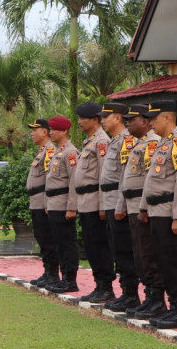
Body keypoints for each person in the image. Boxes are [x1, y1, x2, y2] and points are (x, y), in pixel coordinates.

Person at [138, 100, 177, 329]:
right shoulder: (161, 144)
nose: (150, 122)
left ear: (167, 118)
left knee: (174, 262)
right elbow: (150, 180)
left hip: (171, 212)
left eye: (154, 118)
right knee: (162, 261)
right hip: (156, 212)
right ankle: (173, 307)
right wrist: (144, 208)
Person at [116, 104, 166, 319]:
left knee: (147, 252)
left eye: (132, 119)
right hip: (131, 204)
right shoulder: (138, 144)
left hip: (141, 206)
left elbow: (150, 179)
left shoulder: (153, 143)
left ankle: (156, 299)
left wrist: (144, 208)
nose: (127, 123)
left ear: (145, 122)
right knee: (138, 253)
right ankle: (148, 297)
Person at [98, 102, 140, 312]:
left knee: (124, 250)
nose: (102, 121)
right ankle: (125, 293)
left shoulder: (127, 141)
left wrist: (120, 205)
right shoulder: (114, 142)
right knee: (116, 249)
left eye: (105, 117)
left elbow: (126, 176)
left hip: (118, 201)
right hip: (109, 199)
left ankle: (131, 294)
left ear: (117, 118)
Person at [74, 102, 115, 303]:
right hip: (85, 201)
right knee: (91, 245)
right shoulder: (89, 141)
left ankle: (106, 286)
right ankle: (99, 285)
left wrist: (101, 205)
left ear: (95, 120)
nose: (79, 122)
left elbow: (103, 175)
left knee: (99, 245)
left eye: (83, 118)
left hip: (95, 201)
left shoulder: (101, 142)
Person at [43, 116, 80, 293]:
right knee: (58, 242)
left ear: (64, 131)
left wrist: (72, 206)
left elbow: (74, 181)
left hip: (64, 203)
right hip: (54, 203)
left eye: (54, 129)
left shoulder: (70, 152)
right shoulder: (58, 152)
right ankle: (63, 276)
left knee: (67, 243)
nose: (50, 132)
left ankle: (70, 279)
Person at [25, 119, 61, 288]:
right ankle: (48, 271)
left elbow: (50, 178)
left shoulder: (50, 151)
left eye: (35, 130)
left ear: (45, 132)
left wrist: (47, 202)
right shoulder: (42, 151)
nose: (32, 133)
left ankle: (53, 274)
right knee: (41, 237)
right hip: (36, 200)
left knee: (47, 239)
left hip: (43, 201)